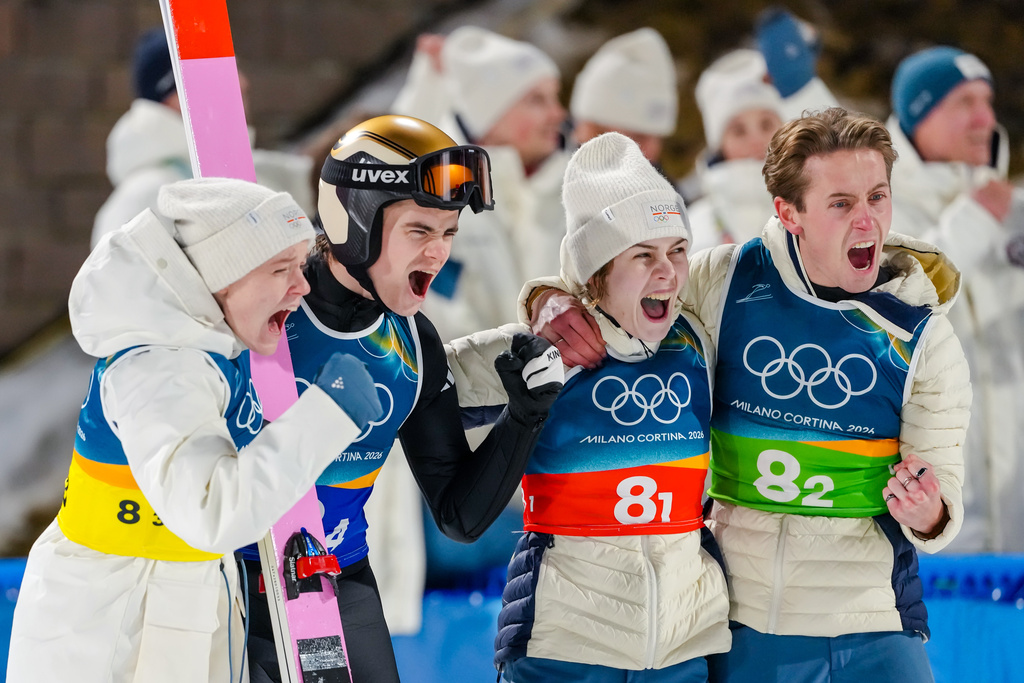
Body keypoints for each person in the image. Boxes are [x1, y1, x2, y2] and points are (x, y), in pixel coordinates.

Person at [521, 107, 971, 683]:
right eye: (840, 203)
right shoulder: (726, 281)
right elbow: (619, 281)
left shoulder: (922, 334)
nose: (867, 222)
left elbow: (942, 492)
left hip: (874, 619)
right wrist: (547, 299)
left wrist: (930, 512)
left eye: (877, 198)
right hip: (746, 622)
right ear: (789, 213)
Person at [7, 177, 384, 683]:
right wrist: (329, 412)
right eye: (281, 270)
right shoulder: (160, 369)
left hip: (169, 598)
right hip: (115, 621)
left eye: (300, 267)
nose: (303, 286)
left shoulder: (206, 354)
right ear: (222, 279)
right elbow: (213, 512)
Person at [240, 114, 564, 683]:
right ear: (355, 220)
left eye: (448, 233)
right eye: (419, 231)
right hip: (231, 580)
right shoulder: (259, 309)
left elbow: (460, 516)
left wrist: (523, 416)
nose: (438, 253)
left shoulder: (412, 343)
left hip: (337, 581)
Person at [475, 132, 730, 681]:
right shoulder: (550, 346)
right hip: (564, 649)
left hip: (681, 650)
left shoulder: (697, 333)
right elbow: (416, 383)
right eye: (643, 255)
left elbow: (792, 261)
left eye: (677, 250)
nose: (667, 272)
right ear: (597, 271)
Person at [887, 46, 1024, 553]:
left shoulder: (1014, 212)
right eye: (964, 102)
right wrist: (973, 218)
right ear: (918, 115)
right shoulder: (877, 207)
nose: (985, 119)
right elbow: (905, 298)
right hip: (928, 516)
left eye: (987, 101)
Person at [392, 25, 569, 340]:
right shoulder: (440, 203)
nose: (558, 113)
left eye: (555, 97)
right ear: (489, 115)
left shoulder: (568, 189)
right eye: (536, 100)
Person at [91, 27, 317, 249]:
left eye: (235, 68)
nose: (242, 83)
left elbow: (314, 179)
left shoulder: (244, 172)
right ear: (173, 97)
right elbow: (114, 284)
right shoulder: (141, 200)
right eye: (222, 71)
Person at [687, 48, 784, 253]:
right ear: (720, 145)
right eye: (739, 131)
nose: (756, 141)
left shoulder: (814, 206)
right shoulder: (695, 226)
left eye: (766, 124)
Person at [568, 28, 678, 166]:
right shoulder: (551, 185)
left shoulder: (661, 185)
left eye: (659, 138)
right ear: (592, 130)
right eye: (638, 137)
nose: (651, 152)